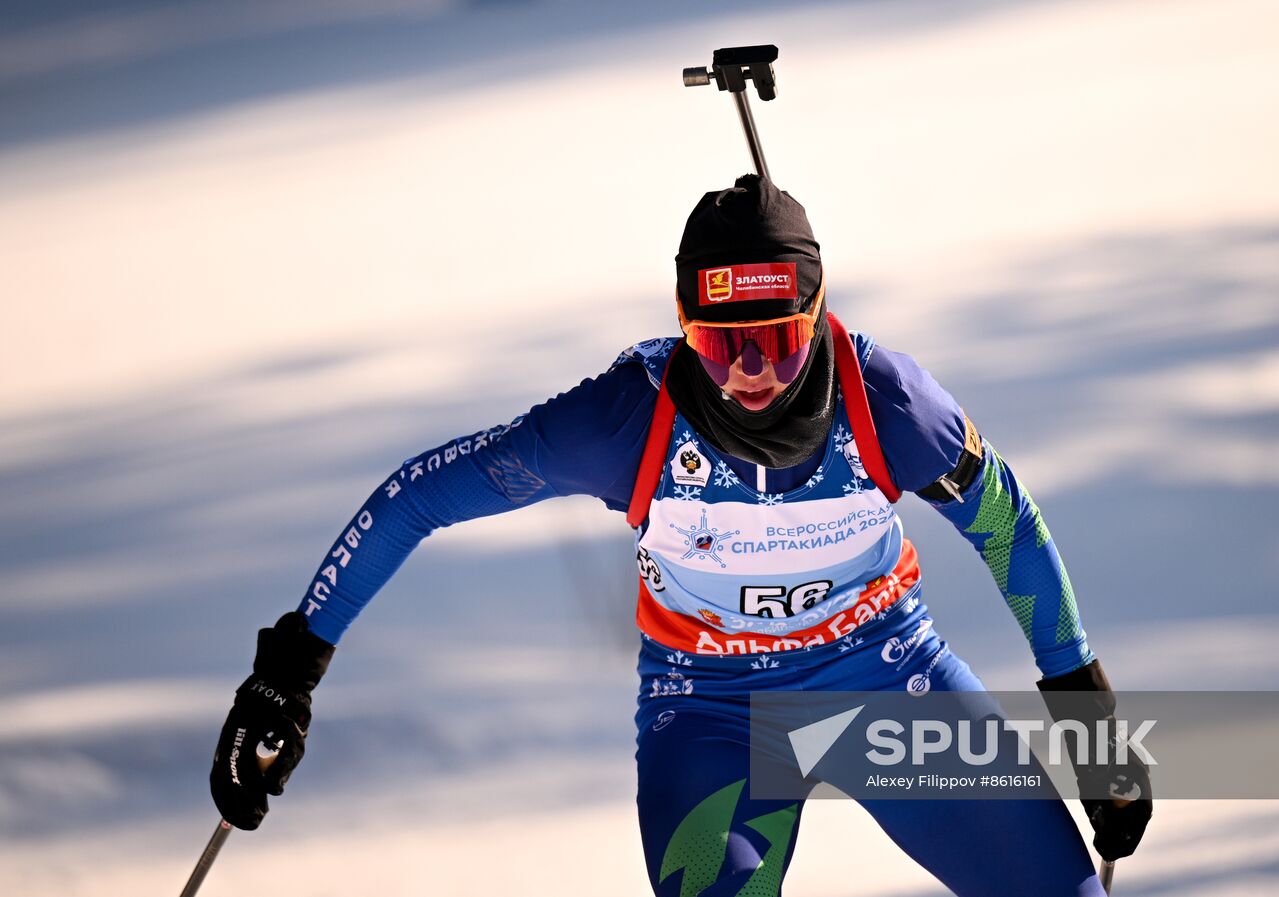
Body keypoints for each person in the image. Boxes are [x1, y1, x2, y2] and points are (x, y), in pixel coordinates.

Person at [209, 175, 1151, 896]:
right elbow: (418, 497)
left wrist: (1085, 704)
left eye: (776, 341)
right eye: (718, 342)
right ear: (683, 323)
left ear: (817, 314)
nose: (748, 374)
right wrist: (288, 670)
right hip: (711, 710)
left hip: (884, 679)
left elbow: (1008, 529)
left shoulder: (892, 406)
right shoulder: (622, 422)